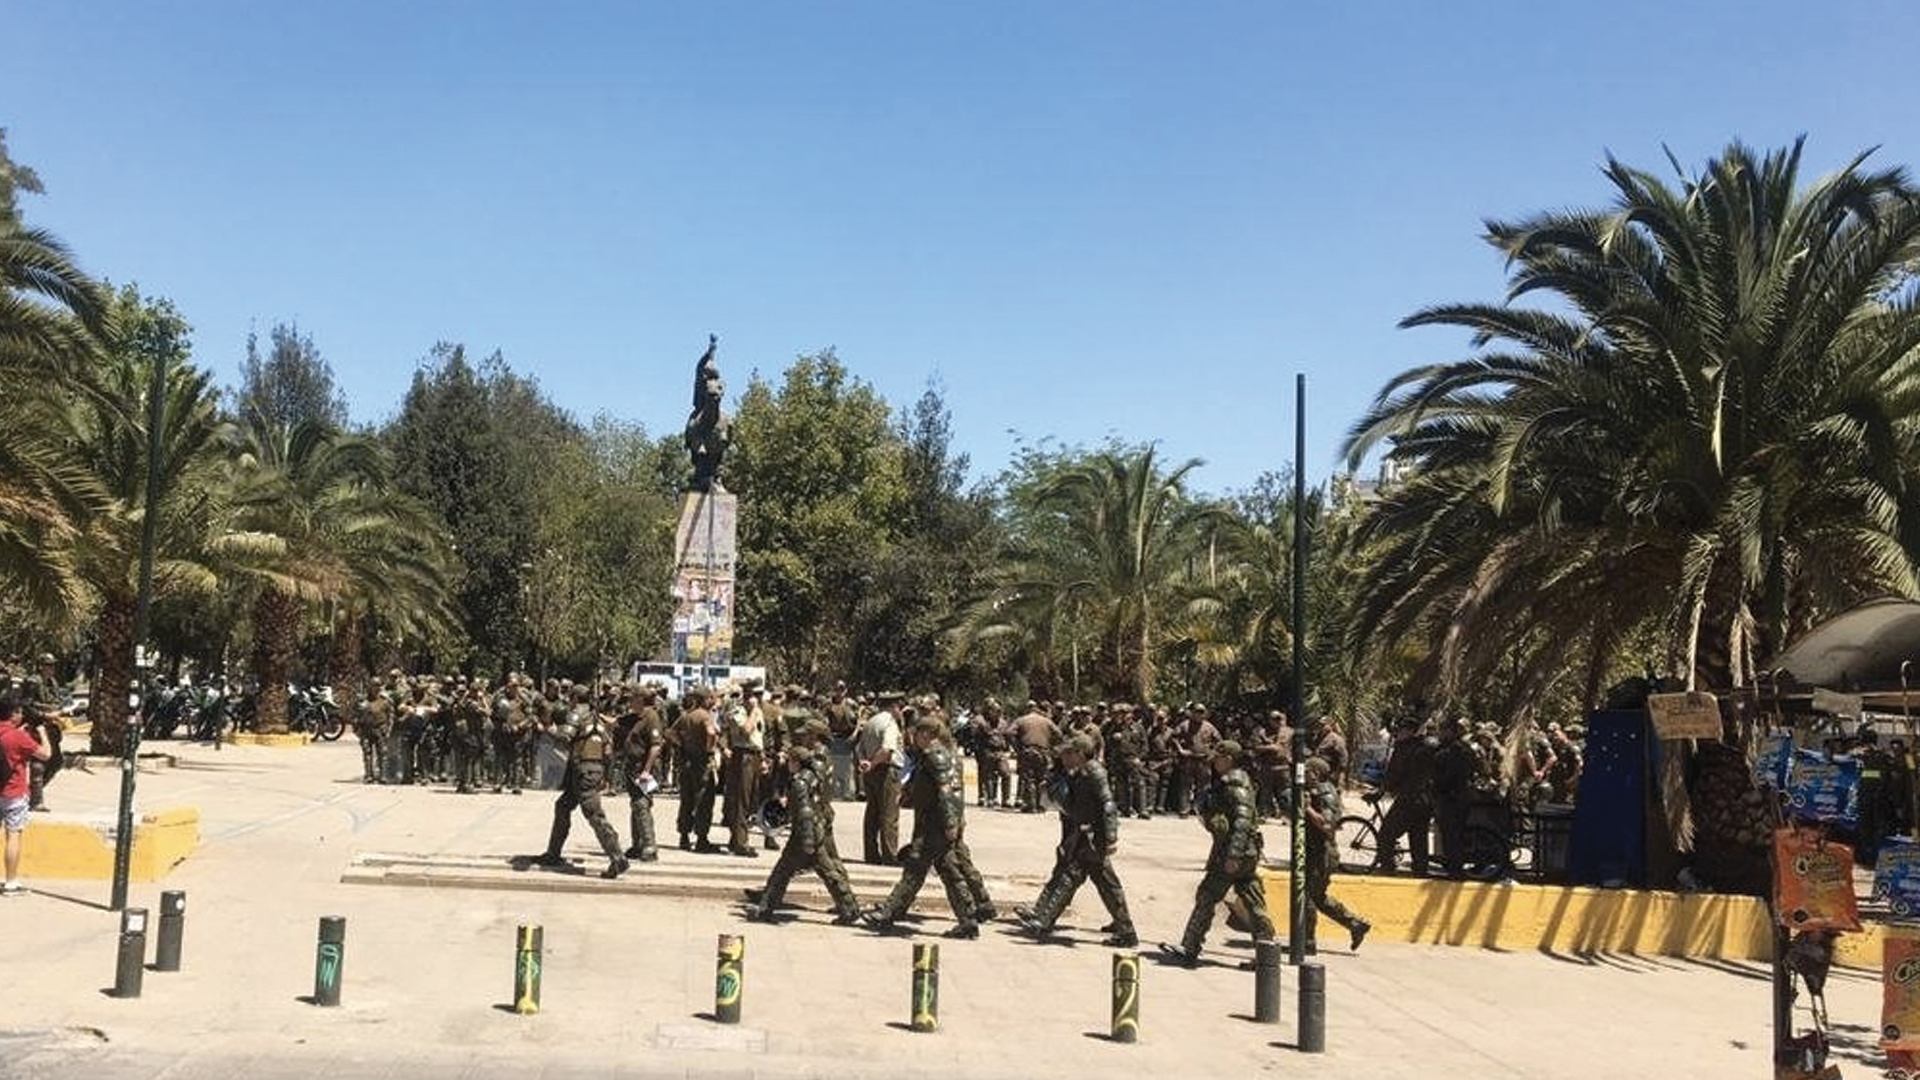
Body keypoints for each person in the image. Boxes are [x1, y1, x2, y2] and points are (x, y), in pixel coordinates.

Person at [861, 716, 980, 938]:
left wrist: (950, 822)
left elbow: (946, 791)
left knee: (915, 868)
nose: (913, 738)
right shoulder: (937, 755)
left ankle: (889, 913)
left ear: (926, 733)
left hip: (934, 824)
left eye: (916, 733)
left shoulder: (935, 756)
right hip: (935, 821)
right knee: (949, 871)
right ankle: (968, 920)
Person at [1159, 740, 1274, 966]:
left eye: (1219, 758)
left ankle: (1190, 947)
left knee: (1207, 895)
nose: (1215, 762)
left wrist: (1233, 855)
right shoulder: (1233, 781)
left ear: (1229, 759)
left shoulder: (1235, 783)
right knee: (1253, 901)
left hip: (1235, 852)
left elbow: (1242, 821)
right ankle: (1267, 954)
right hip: (1246, 851)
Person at [1014, 735, 1137, 946]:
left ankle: (1045, 920)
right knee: (1104, 883)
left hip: (1093, 837)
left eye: (1068, 753)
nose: (1064, 758)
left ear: (1079, 753)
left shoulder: (1094, 771)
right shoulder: (1080, 772)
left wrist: (1110, 838)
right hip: (1085, 835)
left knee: (1075, 877)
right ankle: (1124, 929)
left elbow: (1108, 805)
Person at [743, 718, 862, 925]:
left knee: (822, 867)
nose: (803, 737)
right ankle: (767, 904)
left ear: (815, 736)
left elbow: (807, 797)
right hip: (815, 820)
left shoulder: (815, 760)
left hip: (812, 823)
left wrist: (806, 832)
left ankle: (847, 907)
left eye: (806, 734)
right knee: (818, 866)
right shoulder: (817, 759)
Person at [536, 699, 628, 879]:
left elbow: (564, 738)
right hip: (588, 771)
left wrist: (546, 729)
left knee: (595, 815)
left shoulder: (577, 715)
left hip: (583, 772)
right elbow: (608, 750)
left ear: (576, 699)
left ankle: (617, 857)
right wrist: (606, 776)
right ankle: (553, 853)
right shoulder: (597, 720)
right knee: (562, 806)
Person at [1301, 756, 1371, 951]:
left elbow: (1327, 824)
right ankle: (1356, 924)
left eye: (1307, 772)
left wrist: (1308, 809)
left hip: (1322, 854)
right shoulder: (1314, 791)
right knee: (1318, 897)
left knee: (1307, 896)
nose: (1304, 775)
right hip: (1314, 851)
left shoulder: (1326, 793)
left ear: (1315, 773)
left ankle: (1307, 942)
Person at [1, 693, 54, 894]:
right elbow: (46, 754)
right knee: (13, 834)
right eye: (20, 712)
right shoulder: (18, 736)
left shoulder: (12, 734)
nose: (22, 715)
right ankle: (11, 882)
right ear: (13, 714)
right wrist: (42, 731)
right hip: (13, 792)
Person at [1373, 717, 1436, 873]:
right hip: (1425, 801)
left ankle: (1388, 867)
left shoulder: (1404, 748)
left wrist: (1381, 791)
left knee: (1386, 835)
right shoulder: (1425, 747)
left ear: (1408, 731)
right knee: (1418, 839)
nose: (1397, 734)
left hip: (1409, 799)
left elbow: (1395, 774)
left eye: (1400, 730)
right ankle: (1420, 871)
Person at [856, 691, 903, 864]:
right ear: (893, 707)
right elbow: (887, 750)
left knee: (872, 813)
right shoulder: (889, 723)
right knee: (889, 815)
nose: (900, 711)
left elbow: (859, 748)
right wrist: (873, 763)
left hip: (871, 773)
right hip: (886, 771)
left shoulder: (871, 722)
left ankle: (871, 854)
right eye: (899, 707)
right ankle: (890, 856)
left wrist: (865, 762)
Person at [620, 686, 665, 862]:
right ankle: (637, 844)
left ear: (640, 699)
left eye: (632, 698)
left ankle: (649, 846)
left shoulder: (651, 717)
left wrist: (646, 770)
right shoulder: (635, 717)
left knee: (642, 804)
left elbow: (656, 746)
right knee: (636, 804)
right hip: (633, 769)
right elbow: (615, 722)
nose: (629, 702)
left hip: (645, 770)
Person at [675, 687, 722, 852]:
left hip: (687, 760)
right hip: (701, 762)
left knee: (686, 800)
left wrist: (683, 744)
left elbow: (670, 733)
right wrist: (710, 748)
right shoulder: (704, 716)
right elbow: (711, 733)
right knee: (704, 800)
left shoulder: (686, 716)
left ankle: (684, 836)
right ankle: (702, 839)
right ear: (706, 699)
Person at [1430, 717, 1476, 879]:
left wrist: (1437, 788)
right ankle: (1454, 868)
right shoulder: (1463, 748)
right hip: (1459, 796)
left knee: (1451, 835)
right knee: (1453, 835)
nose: (1440, 734)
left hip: (1452, 798)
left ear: (1450, 731)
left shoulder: (1453, 751)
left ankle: (1455, 870)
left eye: (1443, 730)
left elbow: (1448, 776)